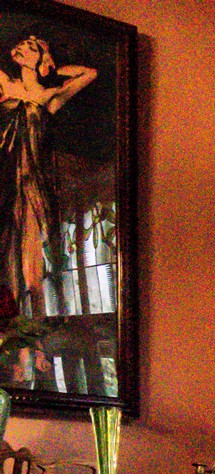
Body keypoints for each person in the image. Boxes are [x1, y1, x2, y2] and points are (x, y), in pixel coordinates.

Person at [0, 33, 95, 386]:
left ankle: (33, 351)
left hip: (35, 185)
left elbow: (89, 74)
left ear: (42, 59)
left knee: (32, 272)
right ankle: (20, 356)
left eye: (32, 46)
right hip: (7, 184)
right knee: (10, 269)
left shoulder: (49, 97)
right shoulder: (6, 84)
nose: (22, 47)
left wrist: (52, 67)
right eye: (20, 45)